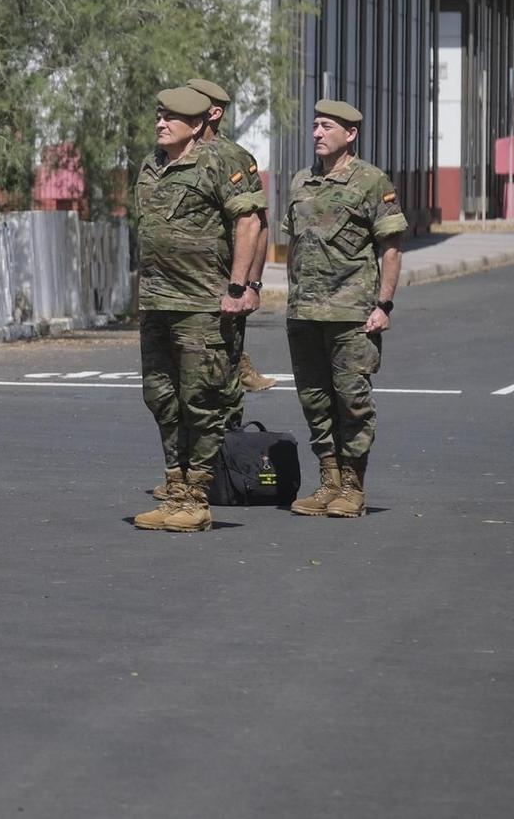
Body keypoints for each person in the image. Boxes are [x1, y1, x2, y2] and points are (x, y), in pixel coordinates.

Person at [130, 86, 266, 532]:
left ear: (196, 123)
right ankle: (174, 487)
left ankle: (197, 496)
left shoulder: (220, 161)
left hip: (203, 303)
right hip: (158, 301)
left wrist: (240, 286)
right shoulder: (152, 164)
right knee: (161, 397)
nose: (161, 123)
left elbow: (249, 222)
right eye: (159, 116)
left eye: (171, 118)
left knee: (201, 401)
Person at [283, 99, 405, 520]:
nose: (317, 133)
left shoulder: (372, 181)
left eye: (326, 126)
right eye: (315, 126)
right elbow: (293, 244)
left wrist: (384, 304)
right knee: (315, 400)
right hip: (304, 313)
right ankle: (329, 481)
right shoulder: (301, 182)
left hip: (352, 313)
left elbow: (390, 247)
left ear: (349, 134)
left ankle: (353, 485)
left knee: (352, 400)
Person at [186, 78, 277, 414]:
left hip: (219, 289)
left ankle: (227, 463)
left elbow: (256, 225)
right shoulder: (166, 156)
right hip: (176, 291)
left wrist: (250, 286)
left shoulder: (233, 158)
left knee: (219, 390)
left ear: (213, 112)